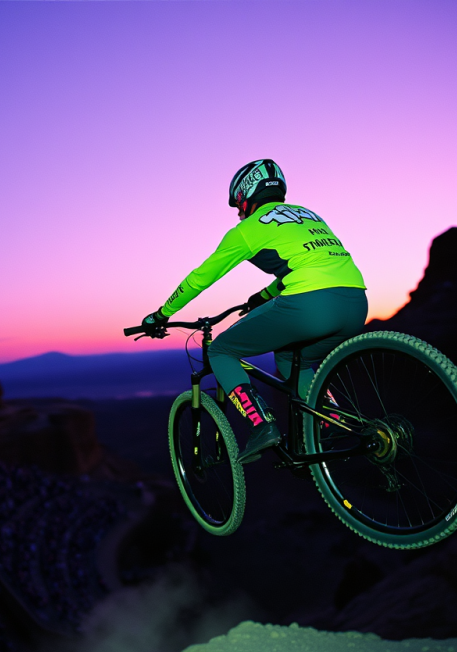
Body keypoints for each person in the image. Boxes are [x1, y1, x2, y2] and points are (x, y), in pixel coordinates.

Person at [140, 159, 368, 464]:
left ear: (246, 195)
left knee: (221, 350)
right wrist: (262, 296)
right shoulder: (309, 215)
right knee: (291, 359)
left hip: (309, 306)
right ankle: (333, 420)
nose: (238, 212)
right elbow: (309, 265)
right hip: (355, 303)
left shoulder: (247, 229)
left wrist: (161, 314)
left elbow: (200, 278)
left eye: (238, 205)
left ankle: (262, 425)